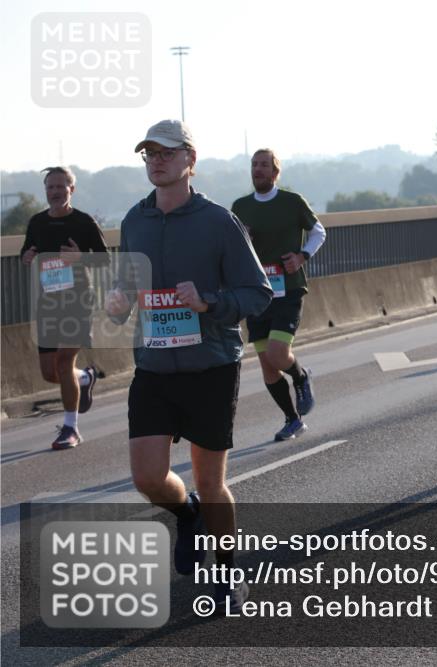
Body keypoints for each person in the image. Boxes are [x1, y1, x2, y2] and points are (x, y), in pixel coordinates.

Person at [105, 120, 272, 614]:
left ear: (189, 159)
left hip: (210, 367)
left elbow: (257, 293)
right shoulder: (134, 221)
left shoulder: (218, 221)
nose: (156, 160)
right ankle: (187, 514)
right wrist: (116, 303)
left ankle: (226, 572)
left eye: (166, 152)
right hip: (153, 367)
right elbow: (124, 291)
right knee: (148, 478)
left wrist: (209, 304)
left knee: (210, 479)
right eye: (149, 153)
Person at [232, 149, 324, 441]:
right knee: (267, 365)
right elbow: (230, 245)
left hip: (289, 289)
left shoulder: (291, 201)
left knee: (277, 353)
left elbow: (318, 231)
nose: (258, 170)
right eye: (254, 165)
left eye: (264, 165)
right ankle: (292, 419)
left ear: (275, 172)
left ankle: (300, 376)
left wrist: (302, 256)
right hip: (257, 292)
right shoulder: (240, 206)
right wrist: (241, 236)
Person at [19, 166, 109, 449]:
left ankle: (70, 429)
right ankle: (84, 377)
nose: (55, 192)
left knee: (62, 361)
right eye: (50, 187)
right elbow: (26, 252)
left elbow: (105, 260)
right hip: (49, 302)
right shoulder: (37, 222)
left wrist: (80, 259)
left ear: (72, 189)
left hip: (78, 301)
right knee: (50, 373)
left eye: (61, 186)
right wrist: (28, 255)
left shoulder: (84, 222)